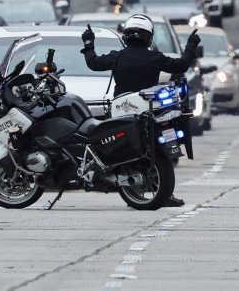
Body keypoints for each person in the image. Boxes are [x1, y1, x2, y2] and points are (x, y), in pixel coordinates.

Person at [80, 14, 200, 207]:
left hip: (123, 111)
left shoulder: (117, 56)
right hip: (146, 112)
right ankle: (151, 190)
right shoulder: (153, 57)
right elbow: (181, 65)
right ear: (149, 38)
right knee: (157, 148)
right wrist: (191, 46)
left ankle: (149, 189)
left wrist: (88, 42)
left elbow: (92, 62)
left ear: (126, 36)